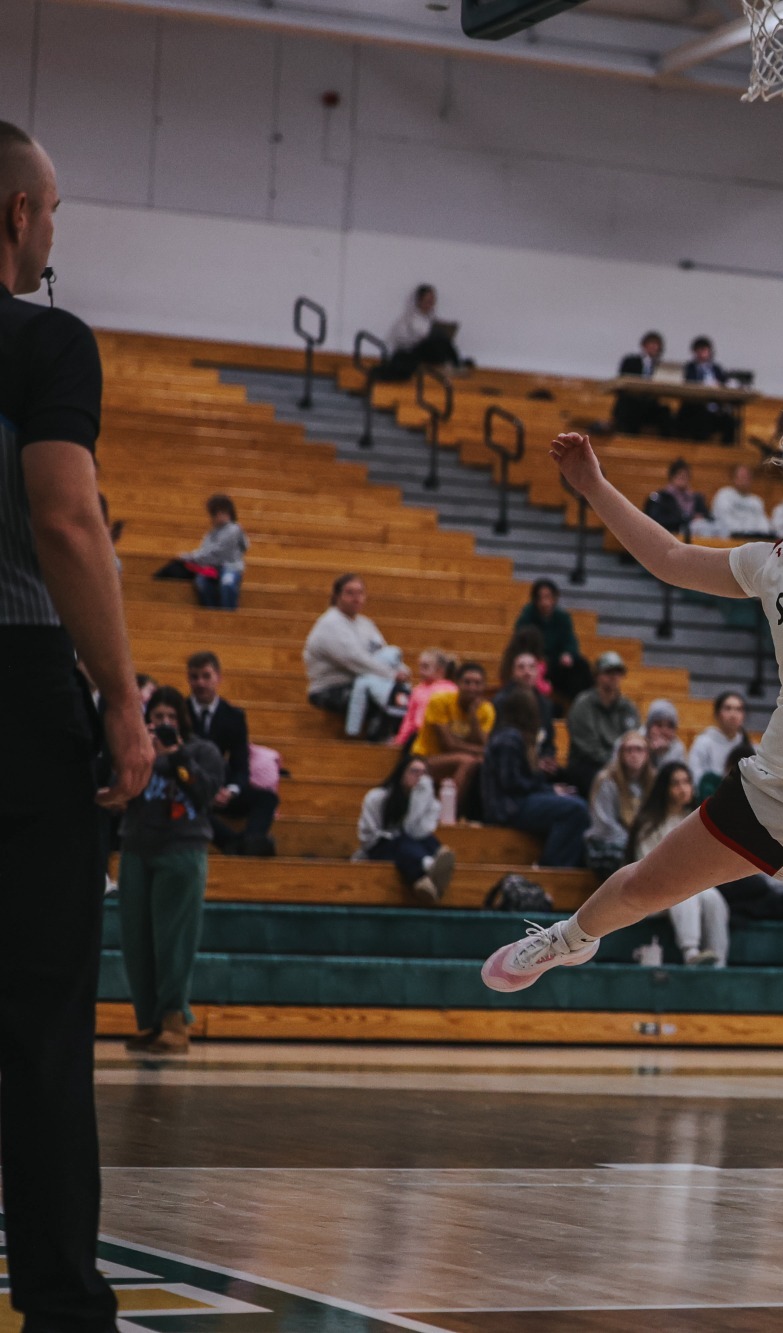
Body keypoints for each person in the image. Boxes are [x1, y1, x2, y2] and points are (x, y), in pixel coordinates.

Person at [480, 204, 783, 1259]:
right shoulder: (764, 560)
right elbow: (665, 558)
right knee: (643, 886)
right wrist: (596, 486)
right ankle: (565, 941)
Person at [1, 118, 149, 1333]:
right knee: (41, 1020)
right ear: (16, 216)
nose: (53, 232)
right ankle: (59, 1307)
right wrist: (118, 695)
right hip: (13, 689)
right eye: (51, 212)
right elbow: (65, 520)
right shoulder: (45, 338)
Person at [118, 686, 224, 1055]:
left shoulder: (202, 752)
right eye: (158, 717)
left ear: (183, 721)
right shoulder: (135, 752)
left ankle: (175, 1022)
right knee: (137, 942)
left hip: (181, 850)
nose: (163, 724)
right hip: (135, 849)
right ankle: (150, 1021)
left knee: (173, 942)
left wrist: (176, 755)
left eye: (171, 718)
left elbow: (206, 794)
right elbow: (118, 791)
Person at [625, 761, 729, 965]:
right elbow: (646, 871)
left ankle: (718, 963)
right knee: (683, 892)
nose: (683, 789)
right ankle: (690, 952)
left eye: (687, 782)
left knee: (714, 898)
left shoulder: (699, 819)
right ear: (664, 788)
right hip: (653, 893)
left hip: (692, 888)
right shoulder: (648, 824)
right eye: (676, 783)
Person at [480, 687, 591, 869]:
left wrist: (549, 790)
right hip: (508, 807)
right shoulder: (509, 739)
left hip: (515, 801)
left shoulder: (513, 737)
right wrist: (548, 789)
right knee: (576, 809)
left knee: (575, 803)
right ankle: (552, 867)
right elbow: (512, 783)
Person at [185, 651, 279, 857]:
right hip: (190, 786)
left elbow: (240, 764)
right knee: (186, 804)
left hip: (221, 786)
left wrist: (231, 790)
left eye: (206, 676)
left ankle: (249, 841)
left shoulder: (233, 716)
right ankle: (238, 843)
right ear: (188, 679)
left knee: (267, 799)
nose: (200, 683)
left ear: (218, 677)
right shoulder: (181, 713)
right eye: (194, 677)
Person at [304, 573, 406, 739]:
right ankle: (376, 741)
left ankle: (392, 738)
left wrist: (402, 670)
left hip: (366, 682)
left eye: (360, 593)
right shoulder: (330, 623)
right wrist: (391, 675)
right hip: (330, 687)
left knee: (403, 696)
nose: (356, 598)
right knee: (383, 698)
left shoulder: (366, 624)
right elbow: (354, 660)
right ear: (337, 596)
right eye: (350, 593)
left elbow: (384, 653)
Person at [356, 752, 455, 902]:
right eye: (414, 771)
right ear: (402, 772)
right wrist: (392, 837)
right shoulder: (377, 797)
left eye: (423, 774)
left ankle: (426, 879)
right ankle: (428, 867)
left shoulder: (427, 800)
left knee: (429, 841)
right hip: (379, 847)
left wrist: (420, 798)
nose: (419, 778)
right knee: (400, 841)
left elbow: (417, 831)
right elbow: (368, 837)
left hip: (409, 844)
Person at [410, 661, 491, 789]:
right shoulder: (440, 701)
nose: (472, 688)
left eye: (477, 683)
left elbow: (482, 742)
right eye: (467, 682)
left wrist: (474, 718)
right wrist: (485, 751)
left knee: (480, 763)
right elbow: (448, 745)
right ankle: (451, 807)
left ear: (484, 686)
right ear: (457, 683)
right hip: (426, 758)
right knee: (468, 761)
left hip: (462, 758)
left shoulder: (486, 709)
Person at [565, 651, 640, 787]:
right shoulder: (582, 705)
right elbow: (589, 748)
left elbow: (634, 738)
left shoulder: (628, 707)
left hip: (622, 764)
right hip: (588, 766)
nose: (613, 677)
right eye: (608, 672)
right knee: (604, 779)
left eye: (617, 673)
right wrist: (619, 765)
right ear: (597, 675)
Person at [586, 730, 651, 877]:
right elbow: (604, 824)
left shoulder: (652, 781)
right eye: (629, 749)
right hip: (608, 844)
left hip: (640, 844)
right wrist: (634, 844)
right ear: (620, 753)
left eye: (639, 749)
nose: (634, 754)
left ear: (647, 754)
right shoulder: (607, 780)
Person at [515, 578, 591, 702]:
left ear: (554, 598)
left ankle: (581, 703)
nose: (545, 602)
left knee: (581, 666)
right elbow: (520, 641)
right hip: (536, 662)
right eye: (541, 598)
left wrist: (568, 654)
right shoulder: (527, 616)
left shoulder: (562, 617)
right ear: (535, 599)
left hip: (556, 663)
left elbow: (570, 640)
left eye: (548, 597)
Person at [178, 493, 246, 610]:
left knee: (227, 583)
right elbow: (205, 551)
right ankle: (212, 613)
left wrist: (191, 557)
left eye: (223, 512)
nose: (219, 516)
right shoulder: (211, 534)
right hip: (213, 568)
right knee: (201, 581)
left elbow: (217, 552)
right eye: (216, 513)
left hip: (230, 567)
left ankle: (228, 615)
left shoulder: (234, 530)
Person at [385, 283, 462, 378]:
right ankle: (456, 365)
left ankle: (455, 365)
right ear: (420, 300)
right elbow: (415, 338)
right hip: (409, 353)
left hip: (424, 351)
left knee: (443, 340)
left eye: (432, 300)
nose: (431, 303)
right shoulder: (411, 318)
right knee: (439, 338)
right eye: (428, 300)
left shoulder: (430, 318)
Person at [677, 335, 736, 441]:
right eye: (698, 350)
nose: (702, 353)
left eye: (704, 350)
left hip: (715, 406)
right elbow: (689, 383)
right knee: (701, 417)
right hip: (697, 405)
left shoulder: (716, 368)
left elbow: (725, 382)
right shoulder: (690, 367)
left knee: (730, 421)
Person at [394, 648, 457, 748]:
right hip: (418, 736)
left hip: (441, 737)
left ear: (440, 670)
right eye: (420, 666)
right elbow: (409, 719)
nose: (420, 671)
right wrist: (401, 739)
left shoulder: (451, 690)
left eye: (425, 667)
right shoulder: (417, 690)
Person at [687, 689, 749, 790]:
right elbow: (694, 775)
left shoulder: (750, 746)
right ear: (717, 714)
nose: (733, 714)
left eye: (738, 709)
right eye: (728, 708)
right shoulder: (703, 742)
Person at [613, 331, 673, 435]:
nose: (653, 348)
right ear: (644, 346)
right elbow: (622, 383)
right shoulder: (630, 361)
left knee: (665, 412)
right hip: (632, 402)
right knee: (629, 409)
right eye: (651, 344)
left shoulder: (661, 367)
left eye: (656, 345)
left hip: (650, 405)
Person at [702, 463, 774, 538]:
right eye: (742, 477)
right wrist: (742, 533)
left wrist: (761, 534)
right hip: (731, 539)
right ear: (734, 478)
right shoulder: (724, 495)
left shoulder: (756, 501)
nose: (745, 480)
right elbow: (723, 521)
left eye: (747, 477)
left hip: (753, 538)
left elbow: (763, 523)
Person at [644, 459, 711, 539]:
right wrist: (685, 519)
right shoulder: (661, 498)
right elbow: (655, 520)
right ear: (672, 477)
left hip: (695, 536)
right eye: (680, 475)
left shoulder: (696, 498)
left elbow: (707, 516)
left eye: (686, 476)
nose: (683, 478)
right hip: (669, 535)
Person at [644, 698, 687, 770]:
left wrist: (663, 756)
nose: (664, 731)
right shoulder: (634, 742)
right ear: (648, 727)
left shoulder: (678, 748)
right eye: (659, 725)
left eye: (670, 726)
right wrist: (650, 752)